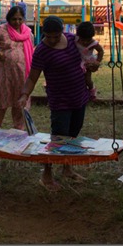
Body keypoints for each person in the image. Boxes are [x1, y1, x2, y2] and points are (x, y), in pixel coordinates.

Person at [18, 15, 90, 191]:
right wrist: (24, 94)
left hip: (79, 95)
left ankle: (67, 169)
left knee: (73, 135)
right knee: (58, 137)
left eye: (55, 36)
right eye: (48, 36)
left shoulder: (74, 40)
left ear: (62, 31)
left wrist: (92, 65)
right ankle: (46, 175)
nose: (51, 40)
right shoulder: (42, 50)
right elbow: (33, 76)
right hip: (60, 100)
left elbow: (88, 58)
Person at [74, 21, 104, 100]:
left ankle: (92, 89)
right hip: (76, 62)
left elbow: (100, 51)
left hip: (87, 63)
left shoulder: (93, 43)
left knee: (87, 79)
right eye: (83, 39)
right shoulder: (75, 39)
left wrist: (97, 61)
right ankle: (81, 92)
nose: (85, 42)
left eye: (88, 40)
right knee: (77, 79)